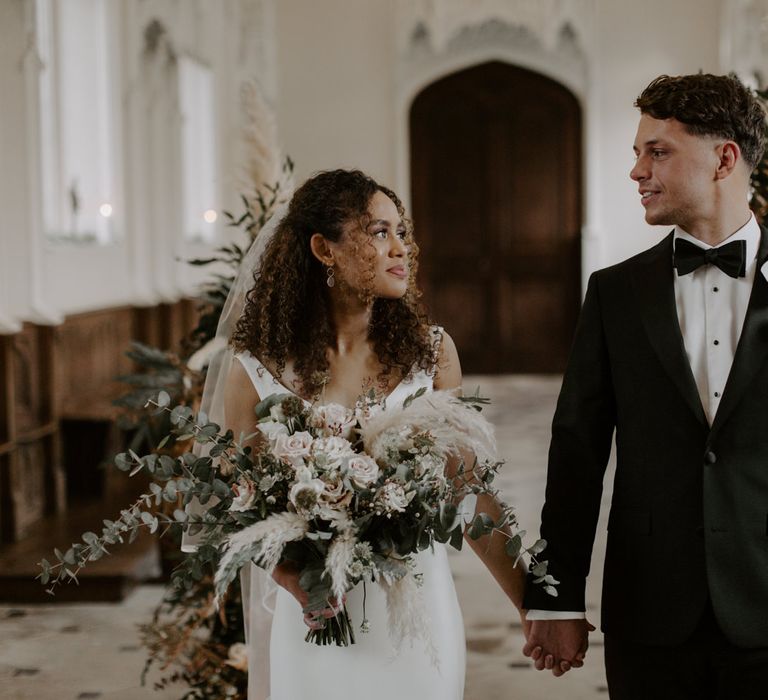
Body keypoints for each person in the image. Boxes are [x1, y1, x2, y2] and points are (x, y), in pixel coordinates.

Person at [218, 169, 526, 699]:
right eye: (379, 232)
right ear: (324, 248)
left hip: (414, 616)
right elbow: (235, 499)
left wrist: (534, 604)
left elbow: (466, 488)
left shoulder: (431, 354)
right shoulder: (254, 368)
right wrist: (295, 579)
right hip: (312, 617)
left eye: (400, 232)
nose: (401, 248)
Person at [521, 73, 768, 699]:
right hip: (651, 613)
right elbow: (576, 452)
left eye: (656, 151)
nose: (637, 171)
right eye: (637, 152)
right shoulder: (615, 293)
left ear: (724, 158)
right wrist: (555, 601)